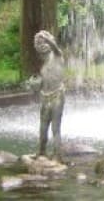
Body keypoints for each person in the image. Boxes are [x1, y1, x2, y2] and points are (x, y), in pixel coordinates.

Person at [27, 30, 65, 158]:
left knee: (55, 128)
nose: (42, 45)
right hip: (44, 97)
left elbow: (55, 47)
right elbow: (40, 86)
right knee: (43, 128)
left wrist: (46, 38)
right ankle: (42, 151)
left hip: (57, 96)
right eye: (39, 43)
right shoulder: (43, 65)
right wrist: (34, 84)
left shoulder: (58, 55)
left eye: (43, 42)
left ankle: (57, 154)